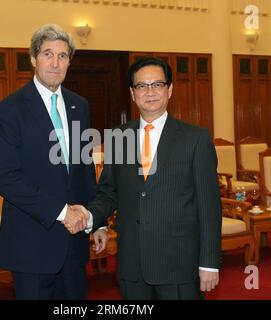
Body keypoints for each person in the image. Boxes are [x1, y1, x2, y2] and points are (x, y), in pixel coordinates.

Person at [69, 57, 222, 300]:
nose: (149, 92)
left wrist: (210, 263)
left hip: (179, 265)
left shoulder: (196, 139)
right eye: (141, 86)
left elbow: (209, 206)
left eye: (157, 84)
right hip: (133, 265)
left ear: (169, 89)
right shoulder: (119, 137)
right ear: (132, 93)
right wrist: (90, 217)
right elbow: (108, 192)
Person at [0, 24, 106, 300]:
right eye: (47, 54)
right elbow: (5, 177)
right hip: (32, 245)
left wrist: (97, 221)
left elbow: (84, 169)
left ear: (69, 62)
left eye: (63, 56)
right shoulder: (10, 109)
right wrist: (61, 211)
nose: (55, 63)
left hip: (75, 242)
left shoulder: (80, 106)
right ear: (33, 59)